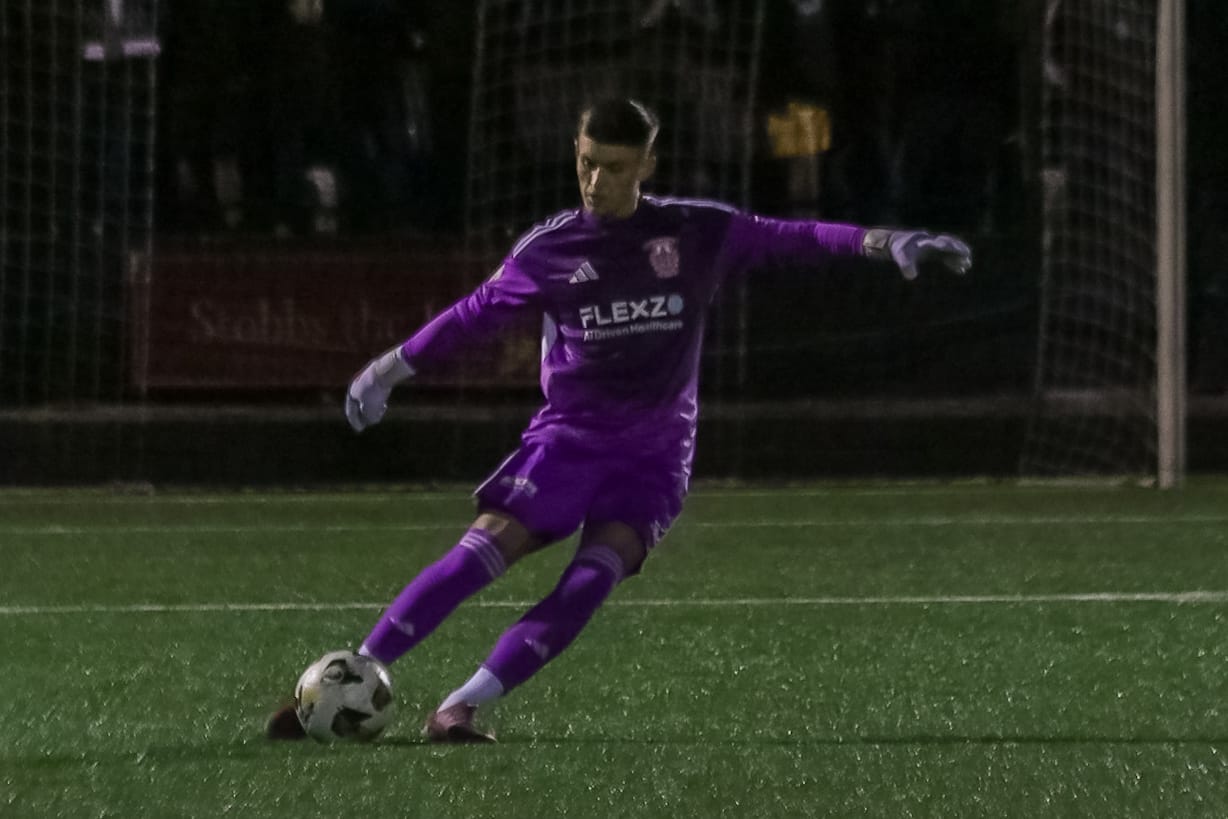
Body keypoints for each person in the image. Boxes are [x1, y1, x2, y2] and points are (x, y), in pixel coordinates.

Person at [266, 97, 971, 743]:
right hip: (568, 440)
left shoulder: (694, 231)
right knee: (480, 553)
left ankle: (460, 707)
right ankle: (348, 679)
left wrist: (884, 241)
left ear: (646, 167)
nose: (595, 181)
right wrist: (389, 369)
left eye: (613, 167)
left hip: (656, 456)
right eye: (586, 163)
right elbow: (473, 316)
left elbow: (797, 236)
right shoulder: (551, 249)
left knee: (589, 581)